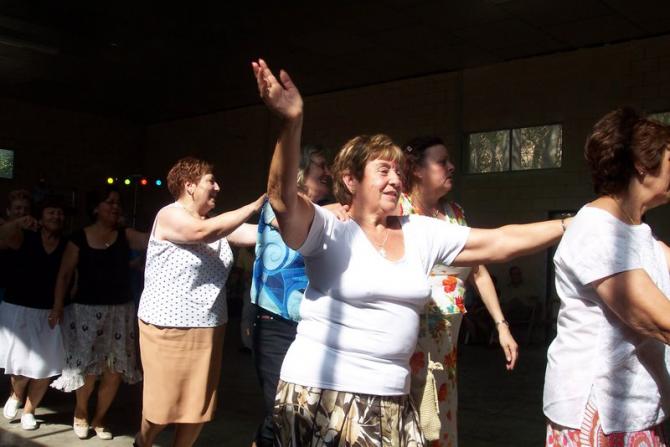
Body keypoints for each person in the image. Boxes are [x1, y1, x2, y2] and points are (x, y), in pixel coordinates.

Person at [252, 59, 568, 446]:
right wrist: (292, 123)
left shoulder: (421, 232)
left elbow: (500, 242)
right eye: (383, 170)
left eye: (398, 172)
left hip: (391, 398)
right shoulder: (329, 229)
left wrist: (567, 225)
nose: (395, 180)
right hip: (321, 393)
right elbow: (282, 198)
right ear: (350, 179)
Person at [544, 107, 670, 446]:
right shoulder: (597, 229)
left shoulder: (640, 234)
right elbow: (658, 320)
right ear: (642, 164)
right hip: (601, 412)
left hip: (638, 410)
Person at [135, 156, 264, 447]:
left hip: (208, 327)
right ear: (189, 185)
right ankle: (143, 441)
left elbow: (256, 233)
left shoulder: (216, 224)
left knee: (198, 407)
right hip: (167, 328)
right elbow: (200, 233)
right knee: (161, 408)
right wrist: (254, 206)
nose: (217, 187)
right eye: (211, 181)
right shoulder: (169, 215)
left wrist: (292, 218)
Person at [400, 135, 518, 446]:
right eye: (442, 162)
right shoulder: (398, 210)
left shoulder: (455, 214)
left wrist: (501, 325)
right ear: (417, 170)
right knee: (413, 427)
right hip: (409, 349)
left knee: (441, 423)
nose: (452, 167)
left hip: (447, 351)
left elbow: (479, 271)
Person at [250, 144, 338, 447]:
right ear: (301, 171)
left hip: (313, 322)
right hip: (275, 319)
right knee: (280, 406)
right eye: (320, 165)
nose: (327, 171)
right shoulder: (278, 204)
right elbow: (292, 217)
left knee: (306, 406)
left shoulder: (329, 211)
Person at [50, 185, 147, 440]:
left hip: (120, 312)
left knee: (114, 370)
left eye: (118, 203)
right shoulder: (79, 237)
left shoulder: (125, 234)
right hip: (85, 312)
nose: (115, 207)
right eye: (109, 202)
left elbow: (153, 241)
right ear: (95, 208)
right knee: (89, 368)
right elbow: (64, 274)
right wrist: (57, 306)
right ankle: (81, 412)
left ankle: (100, 417)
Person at [0, 196, 67, 431]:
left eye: (59, 213)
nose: (56, 216)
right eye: (51, 211)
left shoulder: (66, 244)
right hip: (19, 308)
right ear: (40, 216)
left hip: (50, 312)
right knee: (20, 364)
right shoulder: (24, 236)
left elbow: (68, 276)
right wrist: (18, 222)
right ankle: (16, 395)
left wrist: (59, 306)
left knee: (44, 366)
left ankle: (30, 410)